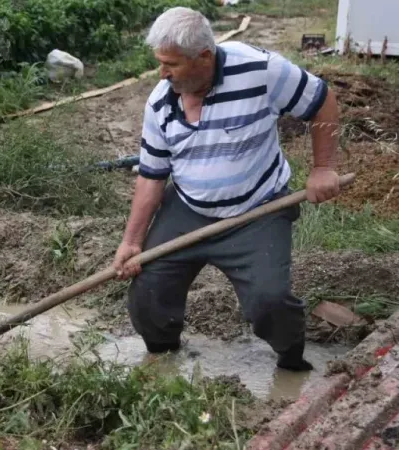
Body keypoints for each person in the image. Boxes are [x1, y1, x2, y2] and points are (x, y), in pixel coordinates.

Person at [112, 7, 341, 372]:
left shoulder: (260, 70)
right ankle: (164, 361)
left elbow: (322, 101)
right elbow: (152, 178)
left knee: (270, 301)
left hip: (257, 209)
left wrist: (323, 168)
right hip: (188, 210)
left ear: (204, 56)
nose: (162, 72)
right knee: (147, 293)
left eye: (171, 63)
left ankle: (291, 360)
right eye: (160, 62)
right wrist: (132, 242)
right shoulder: (160, 102)